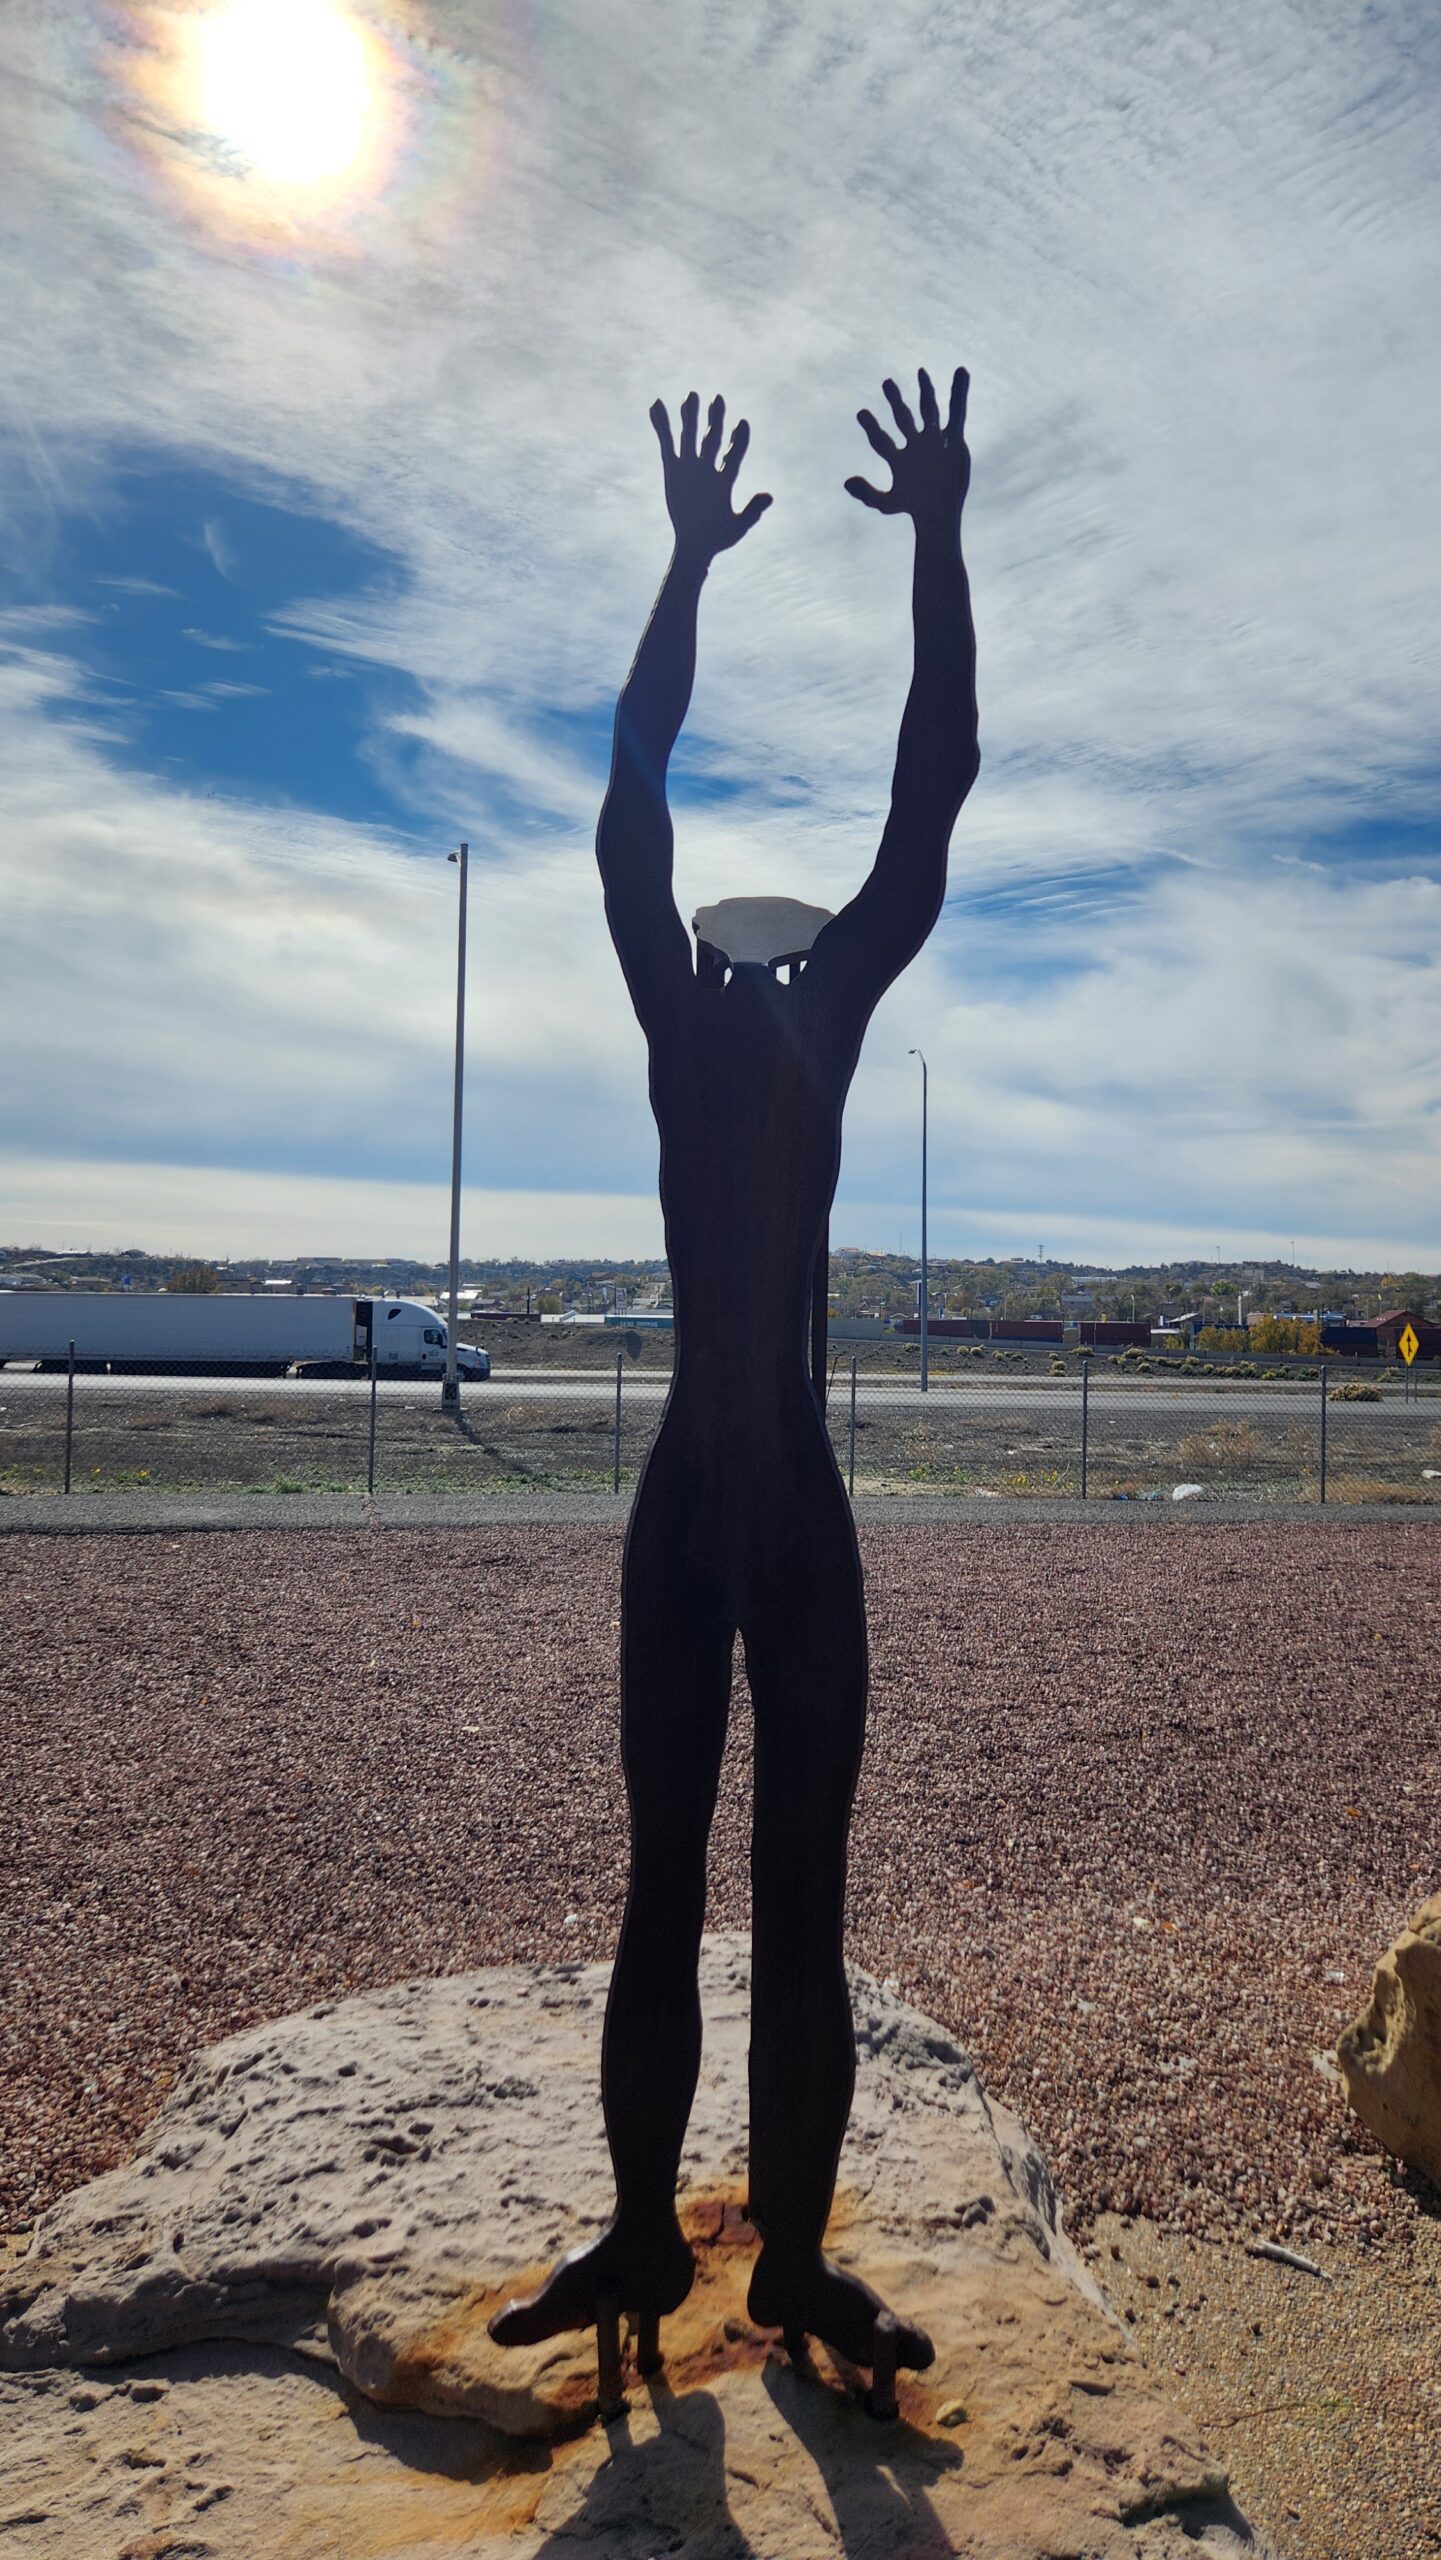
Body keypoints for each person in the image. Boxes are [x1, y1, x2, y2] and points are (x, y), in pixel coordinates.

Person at [491, 369, 978, 2382]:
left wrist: (927, 542)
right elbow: (666, 802)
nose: (767, 963)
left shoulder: (753, 1012)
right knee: (690, 1880)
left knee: (780, 1893)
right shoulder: (755, 1010)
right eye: (753, 952)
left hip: (738, 1499)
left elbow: (913, 799)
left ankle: (774, 2261)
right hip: (728, 1499)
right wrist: (701, 563)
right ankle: (646, 2236)